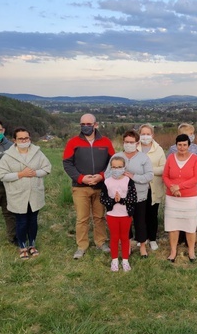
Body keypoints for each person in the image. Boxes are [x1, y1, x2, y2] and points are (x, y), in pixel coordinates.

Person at [63, 114, 115, 259]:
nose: (86, 126)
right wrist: (81, 178)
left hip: (100, 186)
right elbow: (67, 163)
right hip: (80, 187)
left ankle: (101, 242)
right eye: (83, 124)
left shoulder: (105, 142)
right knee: (82, 218)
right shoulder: (73, 142)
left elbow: (113, 162)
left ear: (95, 125)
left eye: (88, 124)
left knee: (99, 216)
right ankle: (82, 246)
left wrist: (102, 176)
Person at [0, 127, 51, 259]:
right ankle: (22, 247)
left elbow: (47, 168)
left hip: (34, 193)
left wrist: (35, 173)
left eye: (26, 138)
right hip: (17, 194)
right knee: (21, 221)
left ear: (29, 139)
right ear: (14, 140)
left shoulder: (37, 153)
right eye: (20, 138)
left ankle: (32, 245)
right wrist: (20, 174)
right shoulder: (8, 156)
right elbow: (1, 175)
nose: (24, 140)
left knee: (33, 221)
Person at [105, 130, 153, 259]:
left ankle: (142, 245)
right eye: (126, 142)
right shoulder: (116, 156)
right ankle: (128, 245)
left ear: (137, 143)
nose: (129, 144)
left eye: (132, 142)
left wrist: (133, 176)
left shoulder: (143, 158)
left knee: (140, 221)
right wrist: (117, 173)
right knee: (125, 222)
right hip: (121, 198)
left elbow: (149, 175)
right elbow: (107, 174)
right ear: (123, 142)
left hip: (139, 195)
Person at [163, 134, 197, 262]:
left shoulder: (195, 159)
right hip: (172, 198)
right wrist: (172, 188)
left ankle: (191, 251)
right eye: (179, 145)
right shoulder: (170, 158)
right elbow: (165, 176)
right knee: (173, 225)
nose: (182, 147)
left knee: (190, 225)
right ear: (176, 145)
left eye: (184, 145)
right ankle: (173, 251)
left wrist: (178, 187)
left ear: (189, 146)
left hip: (189, 198)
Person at [100, 156, 137, 272]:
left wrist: (121, 200)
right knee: (114, 237)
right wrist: (113, 201)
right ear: (111, 168)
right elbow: (103, 199)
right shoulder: (107, 182)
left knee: (125, 237)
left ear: (124, 167)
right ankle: (114, 260)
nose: (116, 169)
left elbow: (133, 198)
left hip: (125, 214)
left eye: (119, 167)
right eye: (114, 167)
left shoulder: (128, 181)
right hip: (112, 215)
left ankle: (125, 260)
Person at [137, 123, 166, 251]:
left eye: (148, 134)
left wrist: (148, 171)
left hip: (153, 188)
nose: (145, 136)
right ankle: (141, 238)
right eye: (143, 134)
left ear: (152, 135)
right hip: (138, 188)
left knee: (152, 214)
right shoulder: (134, 148)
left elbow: (163, 168)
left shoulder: (158, 149)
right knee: (139, 215)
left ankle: (152, 239)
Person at [0, 120, 16, 244]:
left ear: (3, 130)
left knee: (9, 212)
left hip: (7, 185)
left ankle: (13, 237)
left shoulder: (11, 146)